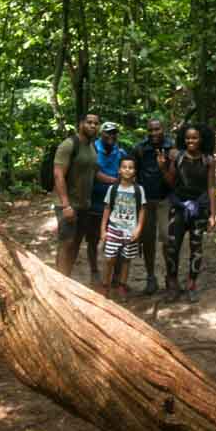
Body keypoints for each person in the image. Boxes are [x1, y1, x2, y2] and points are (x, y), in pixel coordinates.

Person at [163, 123, 216, 302]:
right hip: (178, 207)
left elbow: (211, 187)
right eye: (187, 138)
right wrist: (163, 168)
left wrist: (213, 215)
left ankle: (191, 285)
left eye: (194, 138)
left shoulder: (208, 160)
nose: (190, 141)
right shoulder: (178, 157)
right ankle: (172, 284)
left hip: (199, 209)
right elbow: (171, 182)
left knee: (196, 248)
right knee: (172, 247)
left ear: (201, 139)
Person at [53, 111, 100, 278]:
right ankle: (59, 282)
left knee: (75, 244)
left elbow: (94, 172)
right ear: (81, 124)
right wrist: (66, 205)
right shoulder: (69, 145)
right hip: (67, 204)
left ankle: (67, 279)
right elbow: (58, 174)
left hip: (84, 205)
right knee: (66, 242)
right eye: (89, 122)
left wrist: (118, 180)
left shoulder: (92, 147)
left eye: (96, 123)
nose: (92, 125)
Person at [131, 116, 173, 294]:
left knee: (167, 238)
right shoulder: (140, 149)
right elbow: (133, 173)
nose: (154, 133)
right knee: (147, 240)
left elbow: (175, 176)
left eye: (157, 129)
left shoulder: (171, 148)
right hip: (145, 202)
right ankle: (150, 278)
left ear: (163, 129)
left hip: (165, 199)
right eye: (150, 130)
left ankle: (170, 277)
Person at [98, 154, 145, 299]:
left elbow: (142, 210)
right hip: (114, 228)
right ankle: (105, 285)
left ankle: (122, 285)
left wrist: (138, 228)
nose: (127, 170)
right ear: (119, 170)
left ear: (135, 171)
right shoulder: (113, 189)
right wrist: (103, 229)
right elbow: (107, 208)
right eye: (124, 167)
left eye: (131, 167)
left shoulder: (138, 190)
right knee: (109, 258)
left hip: (130, 230)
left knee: (126, 259)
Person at [89, 120, 127, 285]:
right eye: (108, 132)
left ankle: (116, 276)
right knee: (93, 238)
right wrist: (115, 181)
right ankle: (94, 271)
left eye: (114, 133)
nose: (111, 136)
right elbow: (94, 173)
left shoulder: (120, 152)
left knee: (117, 238)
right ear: (101, 133)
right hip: (95, 201)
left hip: (115, 204)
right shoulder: (93, 149)